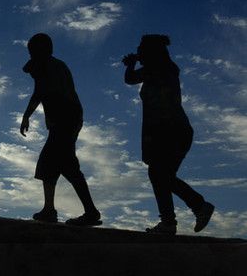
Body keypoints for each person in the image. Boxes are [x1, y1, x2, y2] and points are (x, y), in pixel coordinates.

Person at [123, 34, 214, 235]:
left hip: (170, 131)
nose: (138, 53)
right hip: (172, 131)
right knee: (161, 176)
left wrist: (131, 64)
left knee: (159, 174)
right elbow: (131, 79)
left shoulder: (158, 70)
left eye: (141, 50)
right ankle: (177, 218)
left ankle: (187, 212)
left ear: (150, 53)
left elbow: (130, 78)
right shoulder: (161, 70)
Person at [20, 33, 101, 226]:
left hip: (66, 120)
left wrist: (27, 115)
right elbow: (35, 84)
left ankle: (87, 211)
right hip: (64, 121)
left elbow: (43, 91)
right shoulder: (46, 66)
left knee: (58, 163)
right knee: (57, 164)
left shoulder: (52, 67)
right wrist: (27, 115)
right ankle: (52, 209)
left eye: (33, 51)